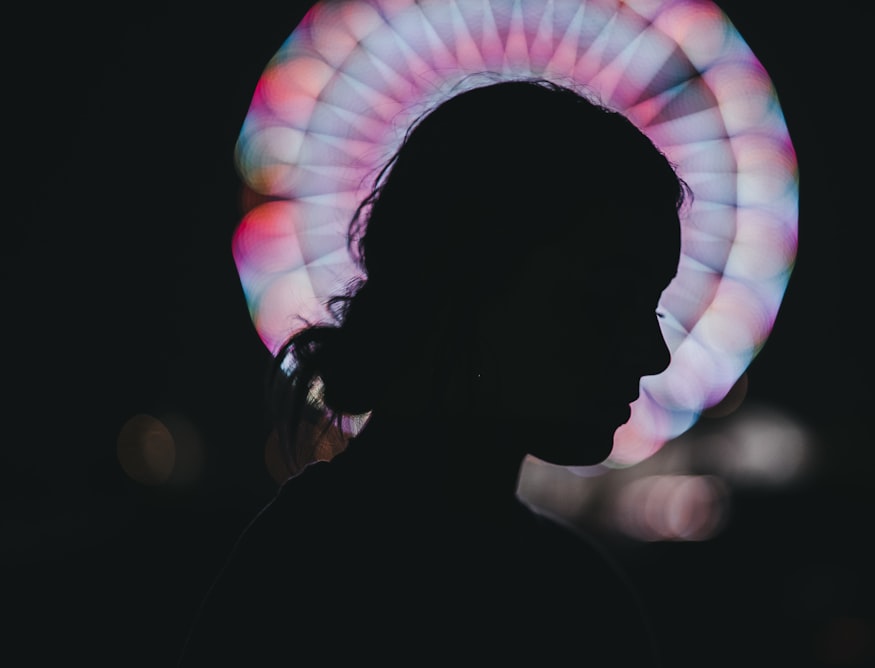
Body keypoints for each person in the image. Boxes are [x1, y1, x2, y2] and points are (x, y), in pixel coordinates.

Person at [179, 76, 687, 666]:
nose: (654, 353)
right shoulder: (577, 597)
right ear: (467, 289)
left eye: (649, 308)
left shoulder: (296, 565)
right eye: (603, 306)